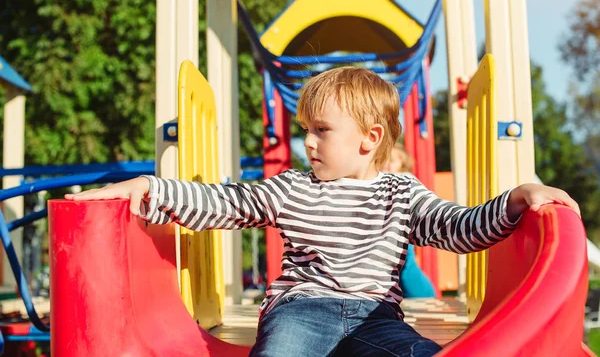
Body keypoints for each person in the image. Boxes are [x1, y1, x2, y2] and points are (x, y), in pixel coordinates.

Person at [66, 67, 580, 357]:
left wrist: (516, 198)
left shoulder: (401, 191)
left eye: (321, 130)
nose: (307, 142)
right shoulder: (293, 187)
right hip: (301, 310)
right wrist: (149, 187)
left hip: (377, 316)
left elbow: (457, 228)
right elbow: (225, 202)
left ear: (369, 139)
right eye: (305, 129)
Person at [382, 143, 436, 299]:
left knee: (405, 266)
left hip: (401, 231)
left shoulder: (404, 178)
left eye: (392, 160)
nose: (387, 163)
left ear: (403, 164)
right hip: (389, 230)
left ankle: (424, 294)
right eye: (384, 159)